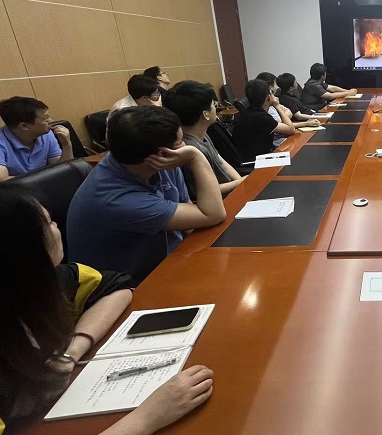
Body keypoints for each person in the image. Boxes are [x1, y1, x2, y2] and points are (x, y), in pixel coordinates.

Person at [0, 187, 214, 434]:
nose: (57, 227)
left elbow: (118, 288)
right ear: (23, 248)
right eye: (48, 223)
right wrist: (147, 418)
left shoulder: (52, 281)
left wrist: (72, 351)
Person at [67, 107, 226, 284]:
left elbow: (191, 217)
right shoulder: (114, 198)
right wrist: (196, 157)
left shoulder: (155, 162)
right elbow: (212, 214)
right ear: (162, 154)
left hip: (173, 262)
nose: (185, 147)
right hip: (129, 286)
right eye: (180, 143)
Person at [162, 80, 245, 199]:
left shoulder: (203, 134)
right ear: (205, 114)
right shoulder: (188, 149)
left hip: (233, 191)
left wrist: (241, 182)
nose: (215, 107)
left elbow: (220, 161)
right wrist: (240, 182)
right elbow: (204, 191)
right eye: (213, 104)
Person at [0, 97, 73, 181]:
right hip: (16, 189)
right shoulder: (2, 142)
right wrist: (45, 179)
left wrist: (66, 144)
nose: (51, 121)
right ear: (24, 126)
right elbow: (3, 180)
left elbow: (63, 169)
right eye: (45, 118)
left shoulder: (46, 134)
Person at [233, 79, 295, 160]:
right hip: (258, 160)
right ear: (268, 98)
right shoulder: (261, 117)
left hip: (251, 156)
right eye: (271, 93)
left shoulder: (250, 112)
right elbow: (291, 129)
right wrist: (277, 106)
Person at [257, 72, 319, 147]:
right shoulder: (269, 108)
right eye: (275, 84)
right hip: (280, 142)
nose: (277, 88)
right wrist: (278, 109)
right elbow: (290, 128)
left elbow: (289, 112)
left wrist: (282, 120)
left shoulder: (273, 103)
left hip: (286, 135)